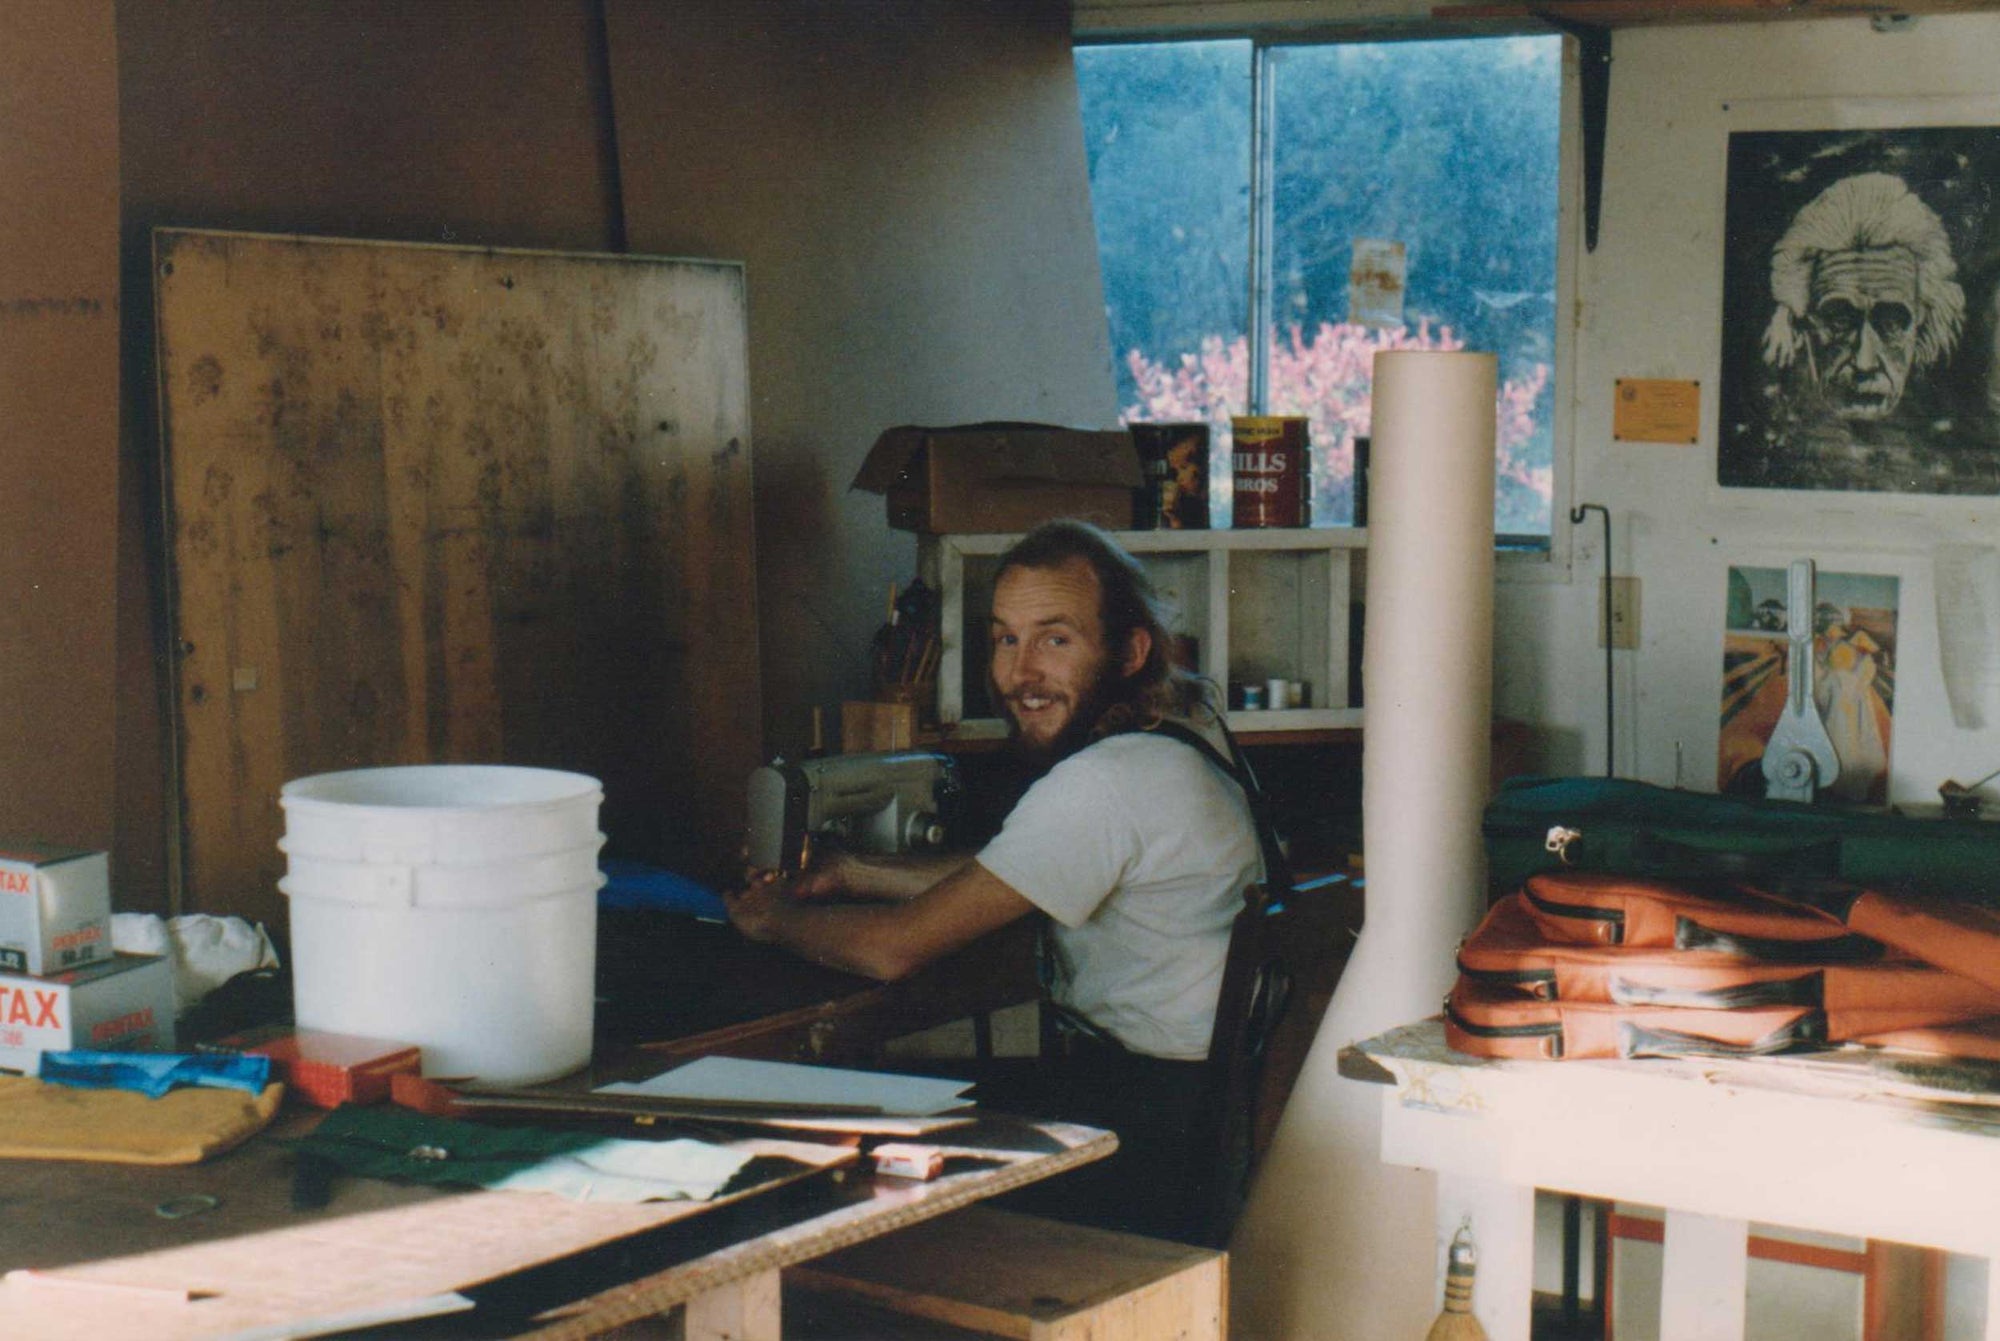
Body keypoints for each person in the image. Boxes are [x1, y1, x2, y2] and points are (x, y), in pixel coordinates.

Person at [725, 518, 1265, 1240]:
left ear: (1130, 650)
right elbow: (1015, 872)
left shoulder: (1104, 781)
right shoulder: (1187, 731)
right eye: (1006, 638)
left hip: (1146, 1139)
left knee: (846, 1131)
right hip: (1194, 1115)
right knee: (898, 1105)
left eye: (1056, 638)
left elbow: (894, 949)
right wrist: (855, 870)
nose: (1020, 672)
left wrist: (771, 918)